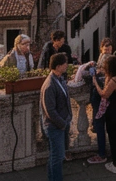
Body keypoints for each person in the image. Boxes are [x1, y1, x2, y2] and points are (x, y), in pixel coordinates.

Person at [40, 53, 72, 181]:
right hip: (55, 127)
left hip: (60, 124)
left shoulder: (59, 79)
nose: (67, 65)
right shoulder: (49, 85)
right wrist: (63, 124)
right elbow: (50, 111)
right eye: (65, 63)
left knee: (56, 156)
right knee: (57, 157)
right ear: (58, 66)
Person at [75, 54, 110, 166]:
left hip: (98, 104)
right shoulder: (112, 75)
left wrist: (87, 66)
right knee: (110, 129)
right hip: (109, 105)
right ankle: (114, 154)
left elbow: (80, 75)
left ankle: (102, 154)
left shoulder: (96, 75)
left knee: (100, 128)